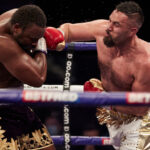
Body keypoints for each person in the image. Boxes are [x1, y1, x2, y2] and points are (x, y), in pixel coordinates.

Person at [59, 1, 150, 150]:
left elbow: (140, 108)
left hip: (140, 121)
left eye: (117, 25)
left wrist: (103, 99)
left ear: (132, 31)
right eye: (110, 20)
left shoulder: (145, 61)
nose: (109, 27)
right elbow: (68, 30)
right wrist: (57, 35)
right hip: (112, 115)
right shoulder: (102, 29)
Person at [0, 4, 64, 150]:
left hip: (17, 106)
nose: (34, 43)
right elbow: (38, 78)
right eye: (32, 38)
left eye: (38, 38)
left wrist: (41, 35)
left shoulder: (18, 16)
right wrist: (41, 45)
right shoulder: (3, 43)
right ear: (16, 28)